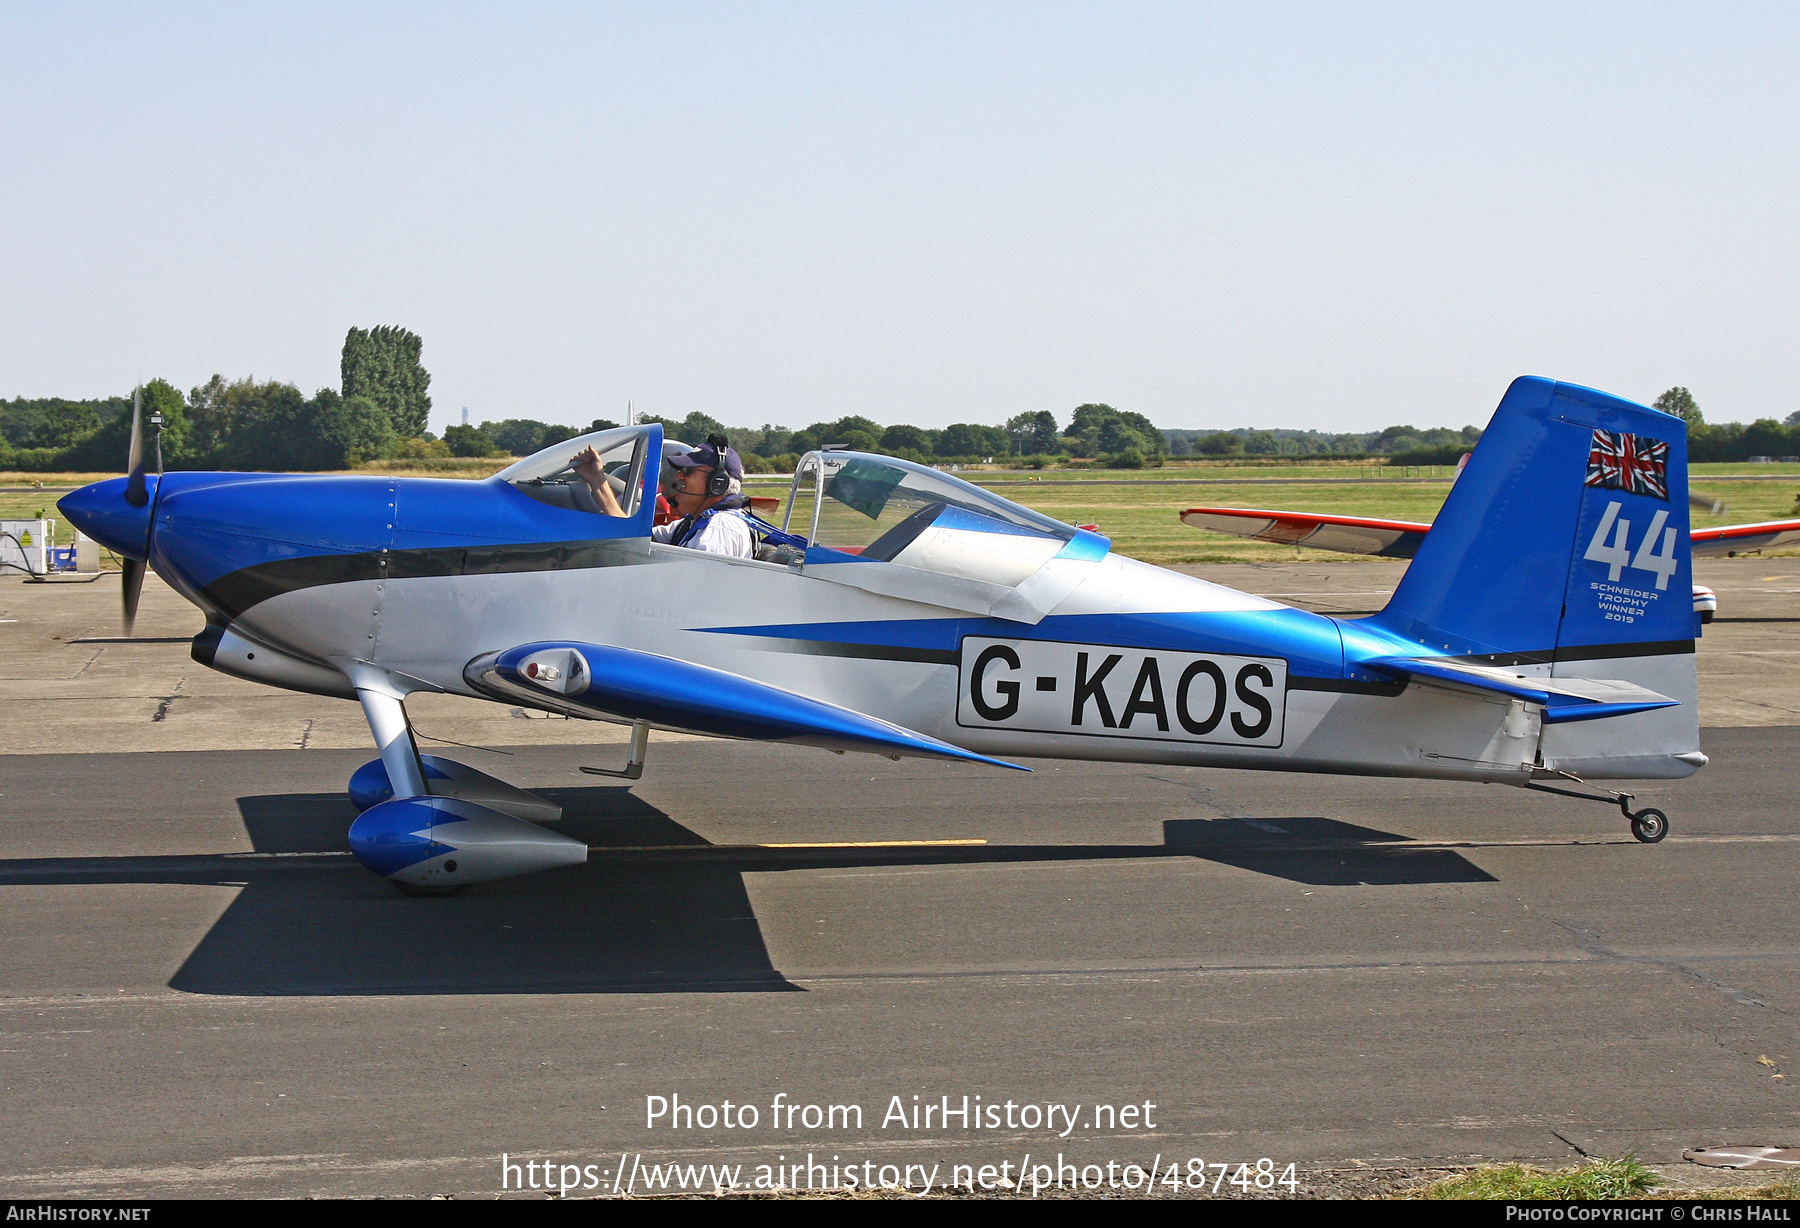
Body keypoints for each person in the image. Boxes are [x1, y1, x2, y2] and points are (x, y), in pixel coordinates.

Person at [572, 435, 755, 557]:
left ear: (717, 483)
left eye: (689, 471)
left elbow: (697, 592)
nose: (679, 476)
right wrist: (597, 481)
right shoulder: (692, 524)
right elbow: (631, 536)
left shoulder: (719, 527)